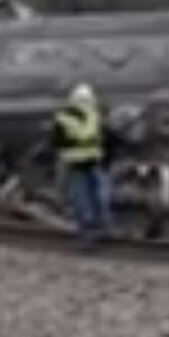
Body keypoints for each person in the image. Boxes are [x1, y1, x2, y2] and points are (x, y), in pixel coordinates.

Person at [50, 82, 112, 246]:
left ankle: (88, 236)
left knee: (82, 200)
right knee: (99, 197)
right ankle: (103, 228)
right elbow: (106, 137)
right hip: (95, 163)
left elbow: (57, 142)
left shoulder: (64, 118)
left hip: (76, 165)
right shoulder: (96, 114)